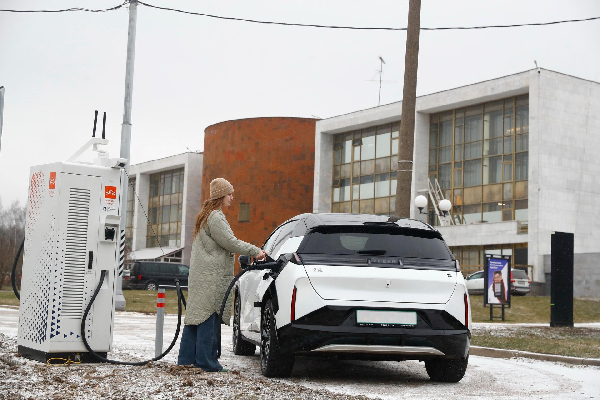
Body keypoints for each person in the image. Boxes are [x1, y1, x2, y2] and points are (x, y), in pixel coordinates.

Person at [177, 178, 266, 371]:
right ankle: (207, 363)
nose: (232, 198)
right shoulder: (215, 217)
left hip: (203, 275)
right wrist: (255, 251)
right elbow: (230, 242)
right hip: (211, 277)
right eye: (230, 194)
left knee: (196, 318)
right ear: (221, 196)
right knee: (209, 316)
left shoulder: (206, 215)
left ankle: (186, 360)